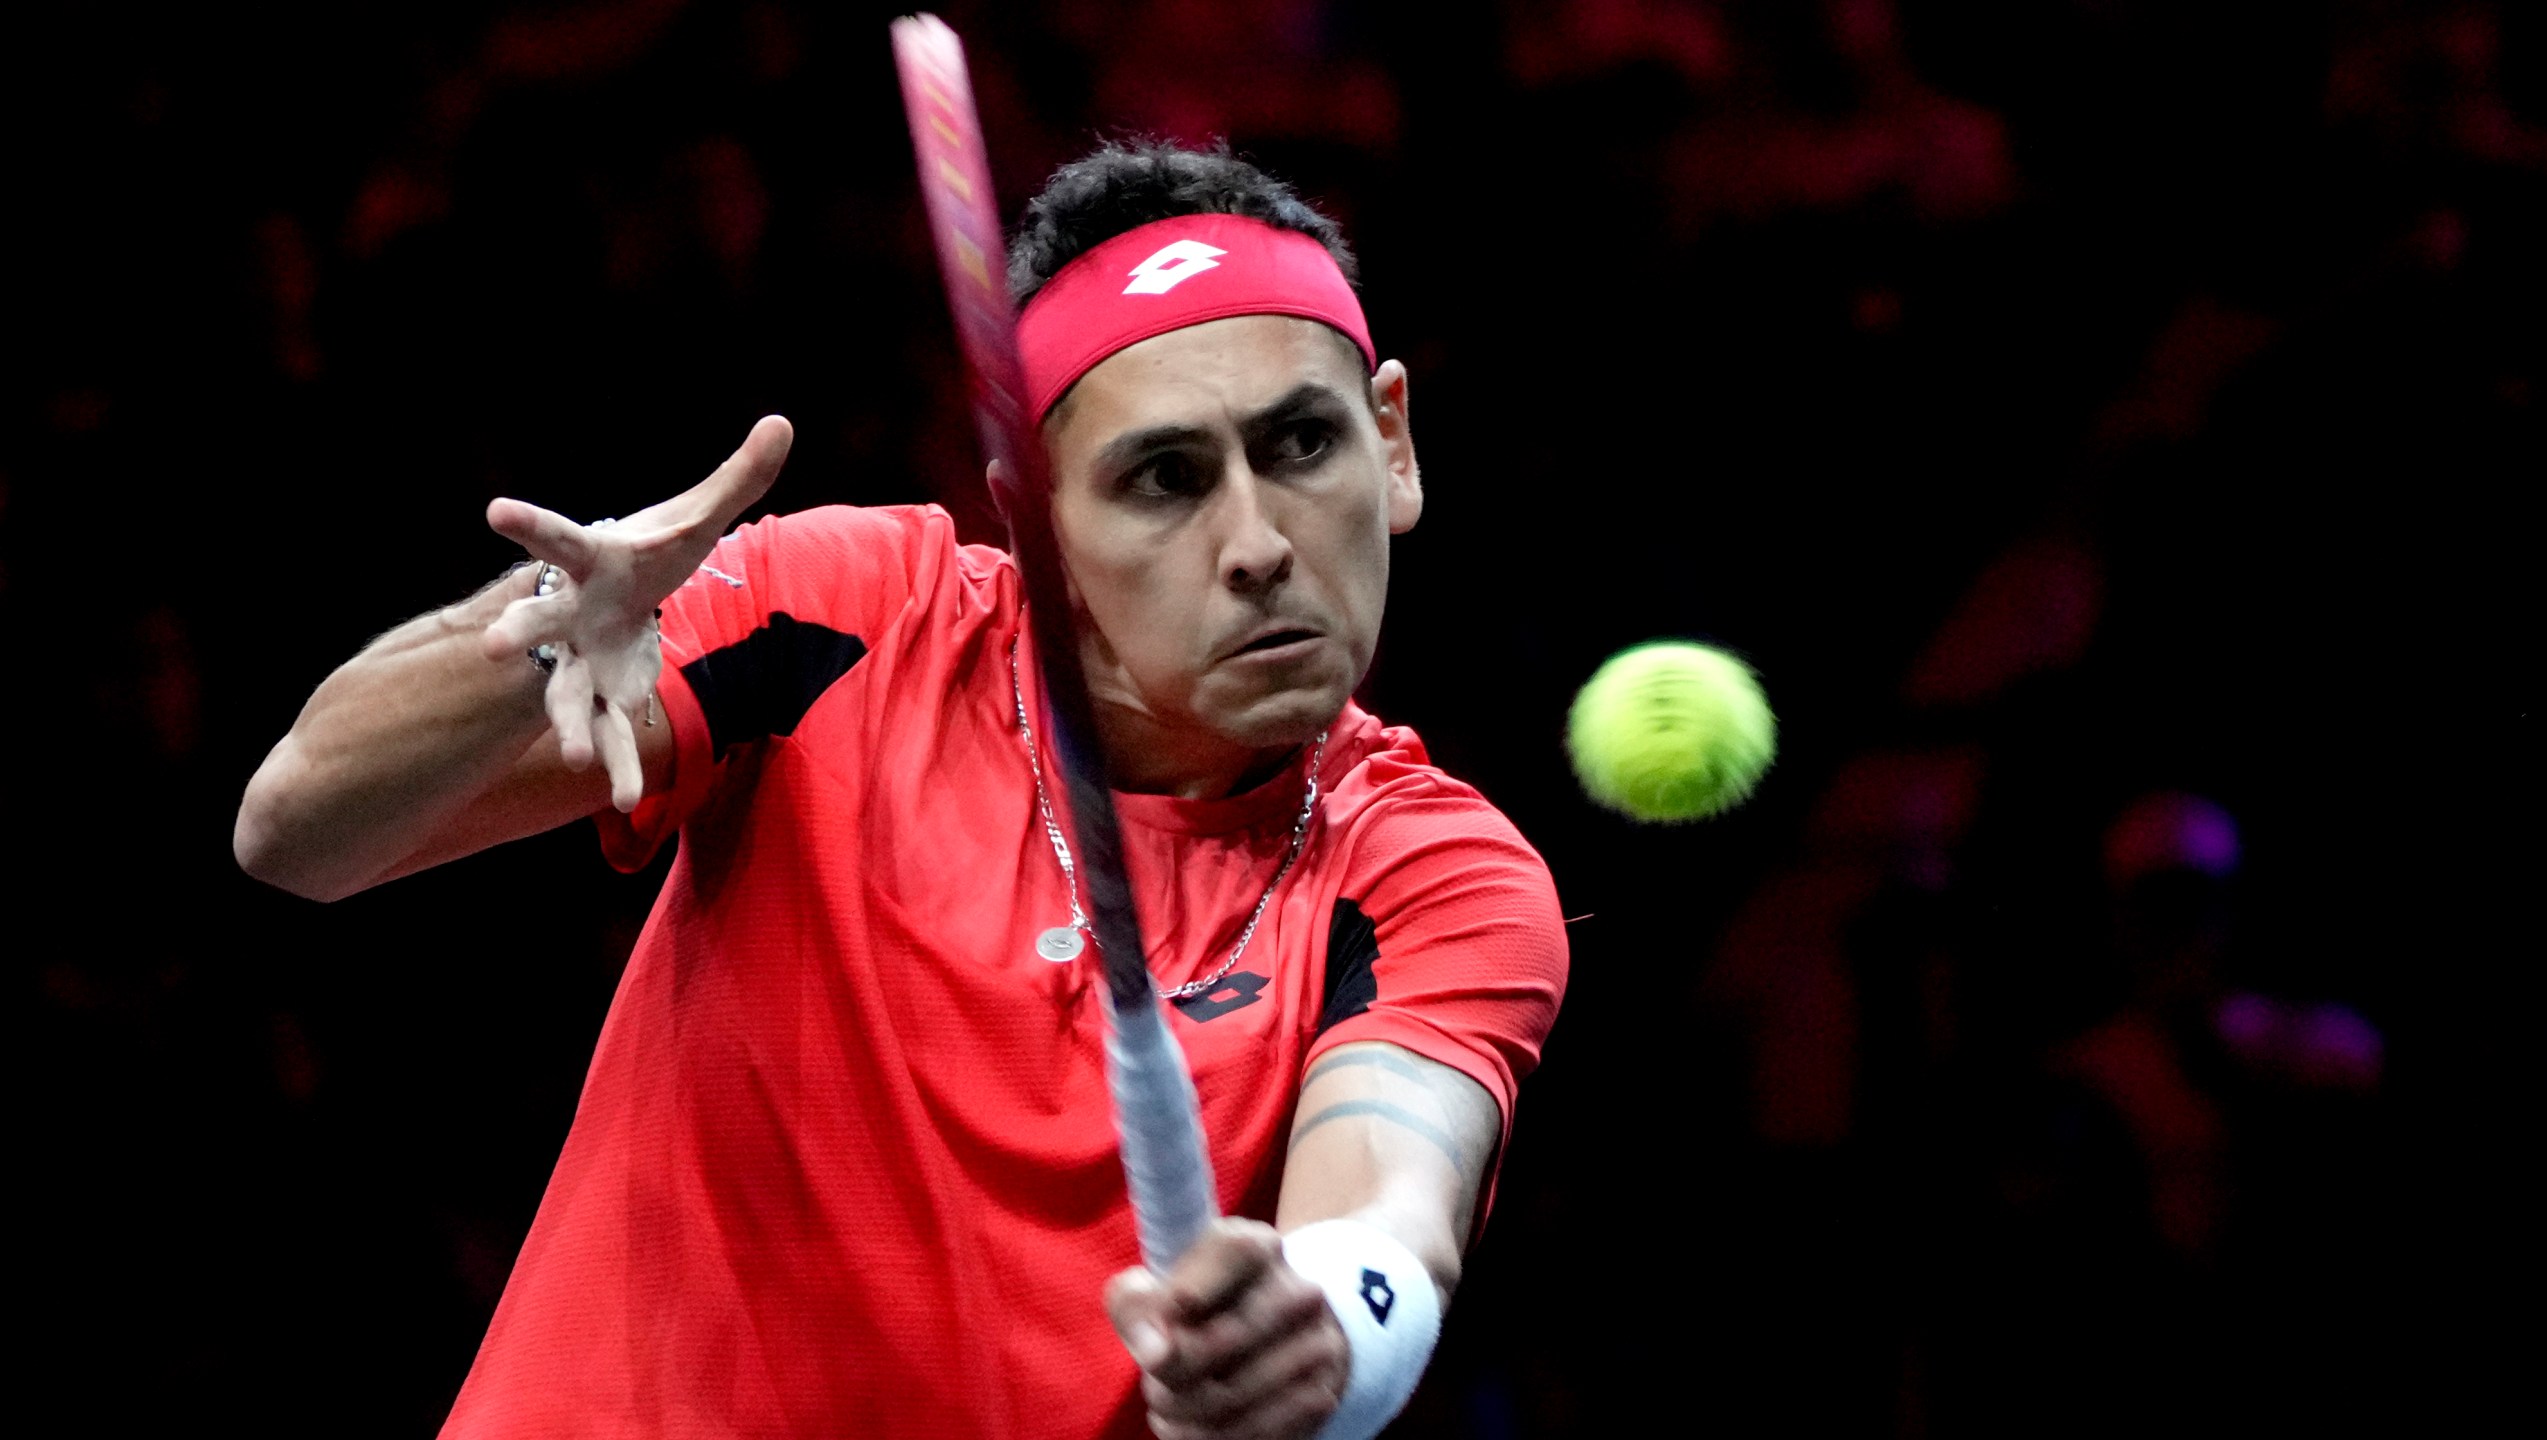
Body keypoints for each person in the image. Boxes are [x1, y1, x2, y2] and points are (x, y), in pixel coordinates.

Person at [235, 141, 1567, 1440]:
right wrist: (526, 652)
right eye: (1165, 479)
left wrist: (1321, 1325)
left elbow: (1392, 1204)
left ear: (1392, 445)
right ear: (1031, 521)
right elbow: (299, 834)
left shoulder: (1434, 872)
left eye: (1300, 445)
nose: (1259, 545)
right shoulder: (847, 623)